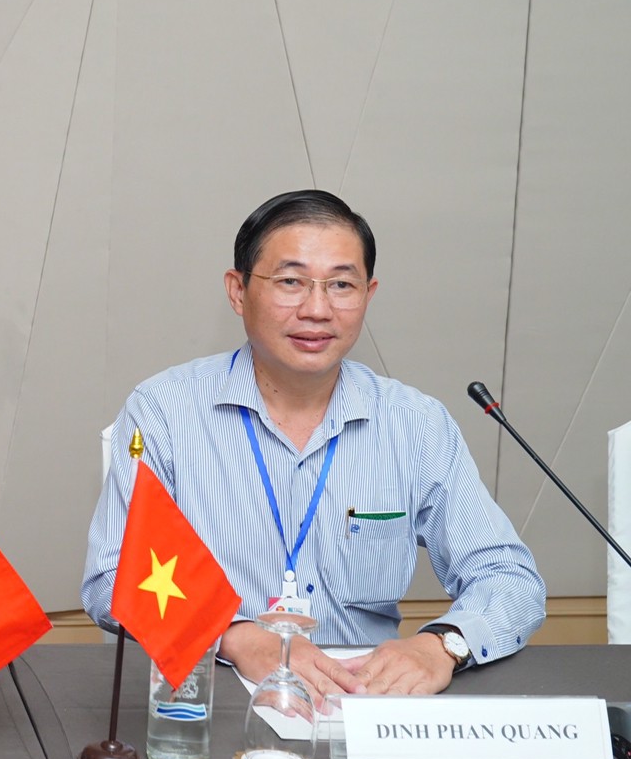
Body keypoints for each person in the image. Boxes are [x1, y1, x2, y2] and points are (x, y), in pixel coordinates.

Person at [82, 189, 545, 702]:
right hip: (211, 697)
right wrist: (234, 636)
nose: (318, 309)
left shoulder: (415, 425)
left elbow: (510, 578)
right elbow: (112, 577)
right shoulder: (165, 412)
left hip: (366, 700)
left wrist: (443, 645)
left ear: (368, 295)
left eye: (341, 285)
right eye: (290, 282)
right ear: (238, 291)